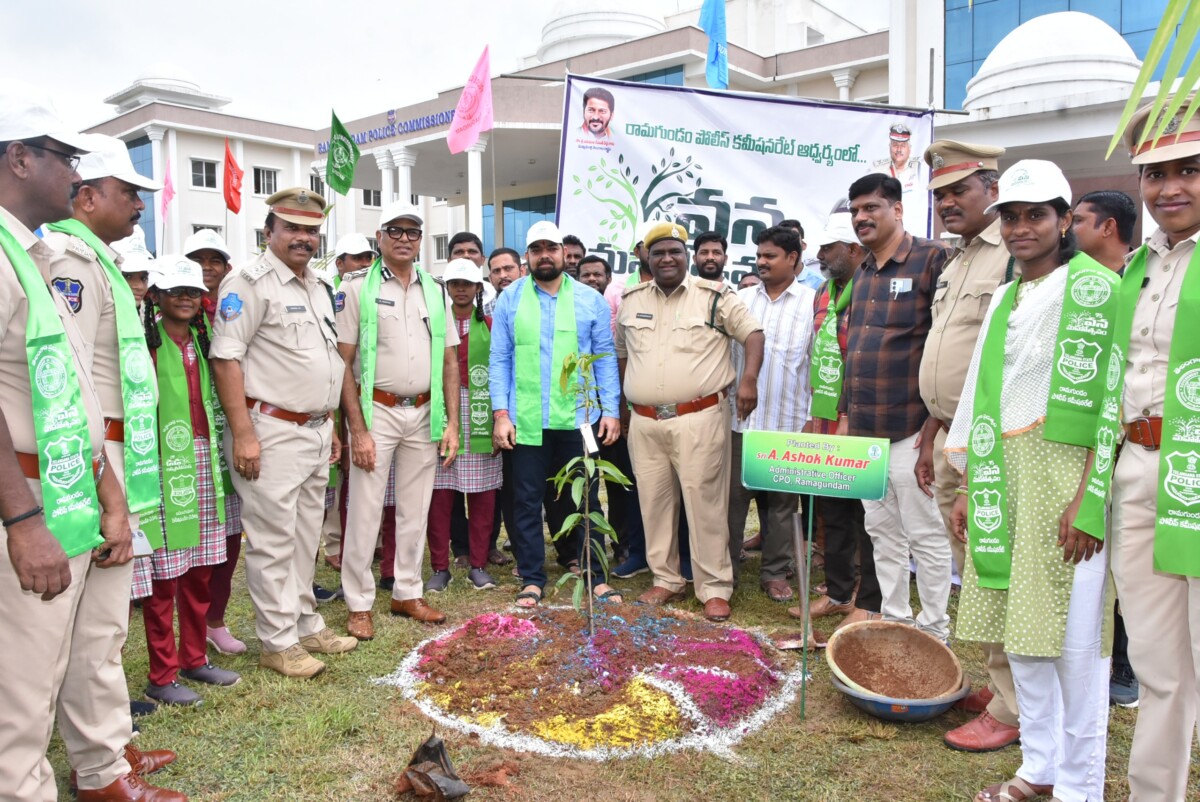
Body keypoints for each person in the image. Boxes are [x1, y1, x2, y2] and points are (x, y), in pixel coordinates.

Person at [0, 85, 185, 802]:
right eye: (62, 159)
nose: (73, 176)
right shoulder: (34, 256)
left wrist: (110, 490)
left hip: (78, 478)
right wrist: (22, 520)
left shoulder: (35, 256)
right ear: (19, 159)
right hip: (33, 491)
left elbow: (74, 389)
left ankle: (102, 769)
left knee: (78, 648)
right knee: (23, 683)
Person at [947, 159, 1115, 802]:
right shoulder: (1007, 294)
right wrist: (968, 484)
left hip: (1065, 480)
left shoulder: (1095, 288)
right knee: (1022, 638)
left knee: (1075, 647)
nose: (1021, 228)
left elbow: (1111, 399)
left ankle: (1080, 786)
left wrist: (1088, 499)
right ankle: (1039, 768)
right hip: (1002, 478)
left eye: (1036, 215)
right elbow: (981, 392)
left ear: (1065, 220)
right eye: (1011, 216)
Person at [1069, 96, 1200, 801]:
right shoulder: (1136, 270)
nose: (1170, 187)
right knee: (1156, 663)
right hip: (1138, 472)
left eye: (1191, 169)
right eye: (1156, 173)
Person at [210, 187, 357, 678]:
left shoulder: (317, 286)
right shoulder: (247, 283)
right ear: (268, 231)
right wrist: (244, 433)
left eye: (311, 231)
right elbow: (226, 358)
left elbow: (326, 362)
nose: (303, 238)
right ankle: (276, 640)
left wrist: (331, 424)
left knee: (304, 535)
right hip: (268, 429)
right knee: (272, 539)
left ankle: (304, 621)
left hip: (314, 430)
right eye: (291, 228)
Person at [912, 140, 1022, 752]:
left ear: (993, 188)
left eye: (959, 190)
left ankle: (1012, 707)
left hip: (993, 443)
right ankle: (1000, 683)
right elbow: (947, 358)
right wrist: (931, 431)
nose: (948, 203)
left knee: (994, 571)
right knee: (971, 574)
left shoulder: (1014, 256)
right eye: (940, 195)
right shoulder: (956, 262)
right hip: (950, 435)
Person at [616, 222, 764, 622]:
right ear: (647, 257)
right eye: (659, 252)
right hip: (645, 423)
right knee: (654, 502)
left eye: (675, 252)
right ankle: (666, 579)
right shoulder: (631, 299)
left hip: (698, 417)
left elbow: (752, 334)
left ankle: (714, 586)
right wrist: (625, 406)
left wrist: (748, 380)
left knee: (706, 504)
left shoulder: (713, 296)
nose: (667, 259)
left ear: (687, 256)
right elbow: (622, 354)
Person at [336, 202, 460, 639]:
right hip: (378, 412)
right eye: (396, 231)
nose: (405, 238)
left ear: (421, 239)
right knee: (366, 509)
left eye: (413, 232)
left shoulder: (435, 289)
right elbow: (343, 363)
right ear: (380, 237)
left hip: (425, 412)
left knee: (415, 508)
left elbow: (448, 360)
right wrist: (358, 429)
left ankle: (407, 591)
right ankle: (358, 601)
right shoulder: (355, 289)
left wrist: (452, 423)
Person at [839, 173, 952, 642]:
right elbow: (857, 352)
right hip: (866, 432)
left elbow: (944, 346)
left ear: (897, 209)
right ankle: (895, 618)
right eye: (856, 210)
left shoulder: (931, 259)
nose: (862, 217)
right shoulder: (862, 271)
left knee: (925, 535)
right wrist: (846, 418)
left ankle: (934, 629)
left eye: (871, 208)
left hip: (912, 428)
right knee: (882, 531)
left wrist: (932, 432)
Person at [489, 220, 622, 608]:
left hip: (580, 418)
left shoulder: (588, 299)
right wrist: (501, 414)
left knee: (586, 499)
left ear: (564, 253)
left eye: (551, 248)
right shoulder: (510, 299)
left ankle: (595, 575)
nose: (544, 255)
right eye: (536, 249)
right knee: (527, 500)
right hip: (527, 418)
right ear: (527, 256)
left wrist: (610, 411)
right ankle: (532, 577)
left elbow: (605, 361)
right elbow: (500, 359)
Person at [137, 255, 242, 705]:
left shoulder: (203, 340)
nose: (184, 299)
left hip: (204, 458)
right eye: (174, 291)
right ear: (156, 296)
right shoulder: (144, 343)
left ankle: (194, 657)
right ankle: (162, 674)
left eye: (191, 292)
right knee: (165, 575)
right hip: (162, 463)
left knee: (201, 567)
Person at [1068, 188, 1140, 710]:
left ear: (1108, 227)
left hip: (1134, 446)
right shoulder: (1075, 289)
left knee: (1131, 566)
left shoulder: (1133, 284)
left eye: (1080, 221)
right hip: (1090, 444)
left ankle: (1126, 667)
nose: (1072, 230)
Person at [796, 213, 882, 631]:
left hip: (863, 420)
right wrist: (816, 416)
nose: (820, 256)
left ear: (852, 249)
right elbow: (820, 358)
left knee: (869, 513)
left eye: (828, 249)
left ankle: (868, 601)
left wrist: (848, 414)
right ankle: (835, 593)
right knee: (832, 510)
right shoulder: (823, 295)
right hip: (825, 418)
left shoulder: (873, 290)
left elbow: (865, 360)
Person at [727, 226, 814, 602]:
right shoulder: (741, 299)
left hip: (788, 422)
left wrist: (812, 418)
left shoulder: (813, 302)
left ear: (793, 258)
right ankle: (725, 569)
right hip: (739, 422)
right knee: (730, 501)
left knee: (781, 506)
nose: (761, 261)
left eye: (770, 256)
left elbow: (817, 363)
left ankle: (775, 572)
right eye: (759, 255)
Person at [180, 228, 247, 657]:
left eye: (215, 261)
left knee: (230, 534)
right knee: (195, 539)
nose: (207, 268)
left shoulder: (231, 310)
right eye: (198, 260)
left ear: (226, 268)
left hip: (232, 430)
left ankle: (215, 619)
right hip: (186, 439)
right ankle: (190, 628)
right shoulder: (169, 315)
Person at [425, 258, 500, 592]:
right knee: (440, 493)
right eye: (454, 283)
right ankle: (440, 565)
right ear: (446, 287)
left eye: (467, 284)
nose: (460, 289)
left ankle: (479, 563)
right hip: (441, 409)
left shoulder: (491, 324)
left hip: (481, 408)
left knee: (483, 492)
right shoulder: (432, 322)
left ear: (478, 288)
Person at [873, 122, 925, 233]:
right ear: (889, 147)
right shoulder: (877, 169)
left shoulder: (920, 168)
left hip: (915, 230)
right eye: (895, 145)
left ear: (909, 149)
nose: (899, 150)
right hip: (885, 230)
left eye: (903, 146)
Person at [1071, 189, 1137, 273]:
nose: (1068, 228)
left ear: (1107, 227)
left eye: (1078, 220)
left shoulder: (1150, 272)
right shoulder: (1063, 277)